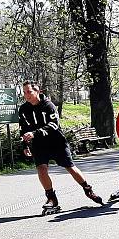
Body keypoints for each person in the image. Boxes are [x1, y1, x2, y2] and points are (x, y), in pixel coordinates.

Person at [19, 80, 103, 214]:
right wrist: (25, 144)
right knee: (41, 169)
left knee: (70, 167)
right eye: (24, 92)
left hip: (56, 142)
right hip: (39, 144)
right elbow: (23, 128)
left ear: (37, 91)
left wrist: (34, 133)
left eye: (29, 92)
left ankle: (88, 190)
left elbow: (54, 125)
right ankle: (52, 199)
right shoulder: (23, 109)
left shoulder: (48, 105)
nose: (26, 95)